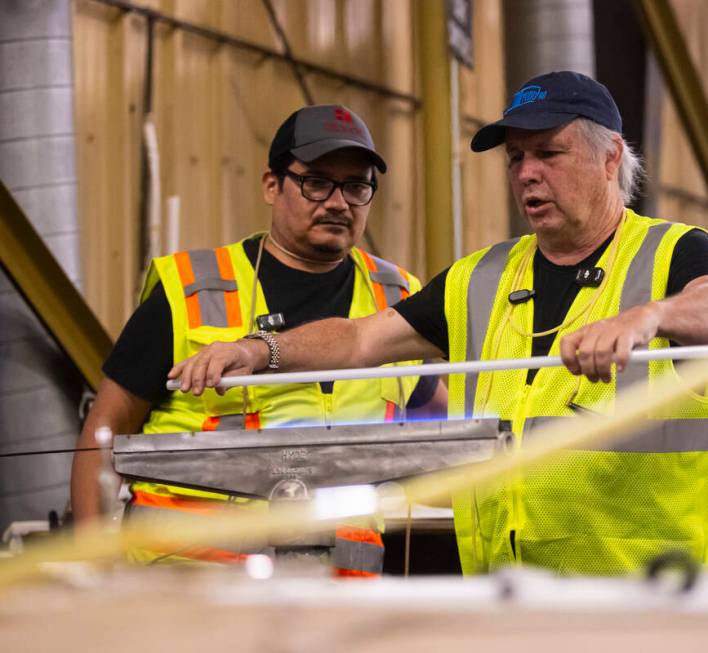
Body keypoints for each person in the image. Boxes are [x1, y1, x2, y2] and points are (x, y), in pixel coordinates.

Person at [169, 72, 708, 576]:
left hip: (645, 598)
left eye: (548, 154)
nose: (526, 174)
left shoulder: (672, 252)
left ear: (610, 156)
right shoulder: (479, 277)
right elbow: (362, 337)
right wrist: (257, 350)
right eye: (516, 158)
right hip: (504, 596)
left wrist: (651, 316)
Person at [71, 104, 446, 572]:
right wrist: (92, 571)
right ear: (272, 185)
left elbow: (443, 428)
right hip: (187, 590)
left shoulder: (398, 298)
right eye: (316, 182)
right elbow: (103, 434)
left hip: (336, 599)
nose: (338, 201)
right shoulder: (193, 287)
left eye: (356, 186)